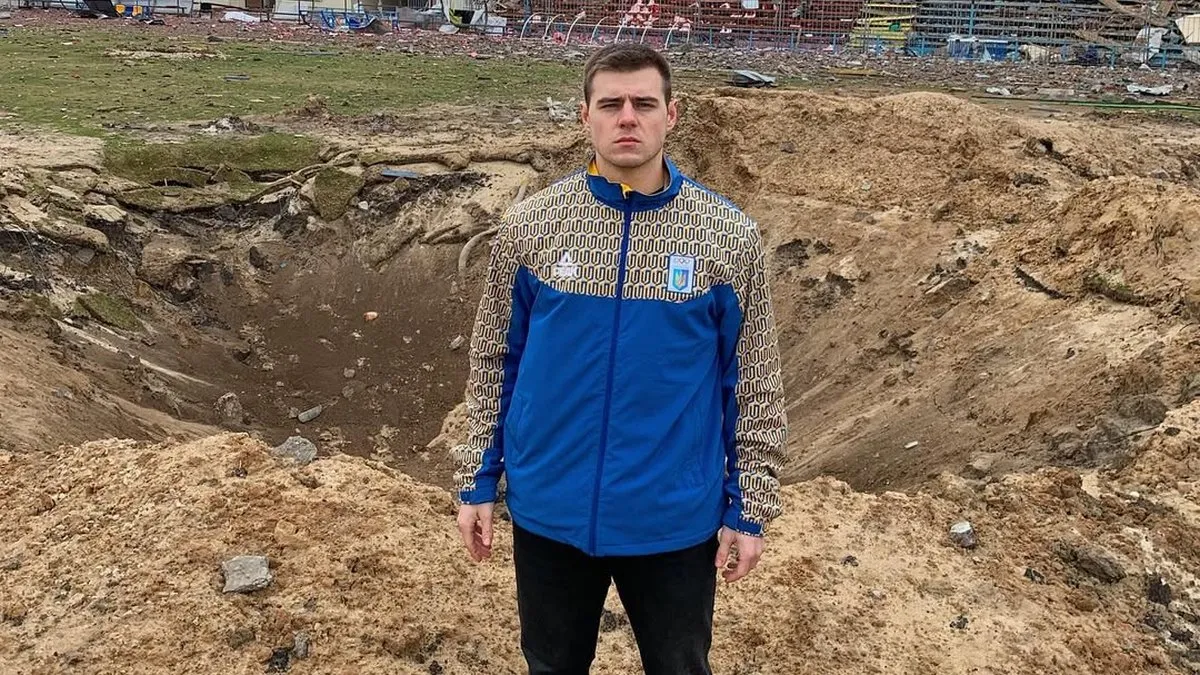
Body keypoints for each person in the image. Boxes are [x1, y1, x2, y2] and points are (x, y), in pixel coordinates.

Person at [452, 43, 787, 675]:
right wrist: (478, 479)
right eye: (610, 104)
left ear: (671, 115)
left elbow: (753, 382)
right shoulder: (531, 226)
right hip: (550, 512)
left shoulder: (727, 235)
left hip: (672, 521)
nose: (627, 117)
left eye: (643, 103)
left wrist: (750, 507)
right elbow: (495, 361)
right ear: (585, 116)